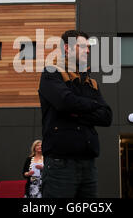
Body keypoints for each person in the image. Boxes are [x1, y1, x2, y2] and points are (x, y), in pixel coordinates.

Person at [38, 30, 112, 198]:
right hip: (60, 165)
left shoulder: (90, 82)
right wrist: (92, 105)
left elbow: (107, 116)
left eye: (88, 47)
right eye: (82, 46)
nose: (88, 51)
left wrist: (76, 111)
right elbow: (65, 103)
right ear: (67, 48)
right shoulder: (51, 73)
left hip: (88, 165)